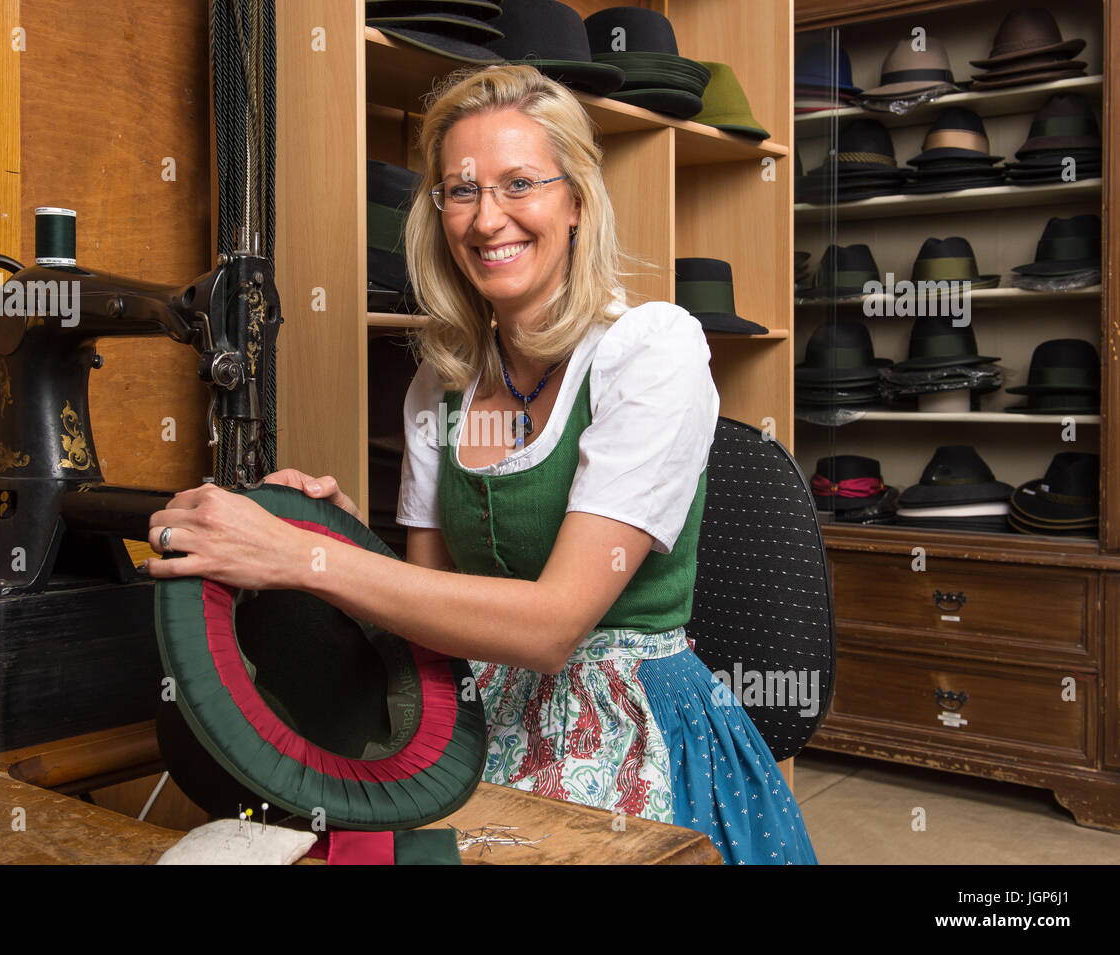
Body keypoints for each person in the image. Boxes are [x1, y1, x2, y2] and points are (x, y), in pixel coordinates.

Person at [144, 64, 817, 865]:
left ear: (575, 201)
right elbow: (432, 615)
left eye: (519, 183)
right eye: (460, 191)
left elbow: (552, 627)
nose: (487, 218)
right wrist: (333, 533)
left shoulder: (652, 350)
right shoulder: (443, 381)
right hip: (471, 712)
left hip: (634, 721)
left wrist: (306, 558)